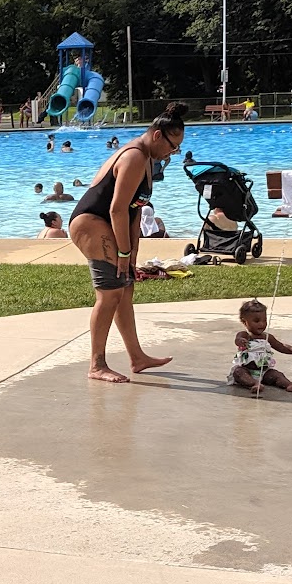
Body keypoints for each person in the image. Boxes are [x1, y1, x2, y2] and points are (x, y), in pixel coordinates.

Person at [68, 103, 185, 383]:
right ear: (157, 135)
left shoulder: (147, 159)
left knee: (126, 288)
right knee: (109, 294)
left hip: (113, 223)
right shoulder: (133, 157)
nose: (173, 153)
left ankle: (137, 357)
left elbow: (135, 210)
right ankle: (96, 365)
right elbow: (117, 209)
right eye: (172, 146)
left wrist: (132, 253)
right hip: (92, 223)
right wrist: (121, 251)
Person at [229, 299, 292, 396]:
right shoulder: (245, 335)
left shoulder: (267, 337)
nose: (261, 324)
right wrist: (240, 341)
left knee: (276, 375)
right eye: (256, 321)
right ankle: (254, 384)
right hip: (247, 370)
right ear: (245, 322)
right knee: (238, 373)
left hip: (264, 372)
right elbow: (237, 340)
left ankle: (289, 384)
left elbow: (281, 346)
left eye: (264, 320)